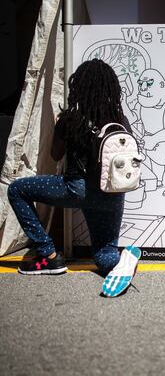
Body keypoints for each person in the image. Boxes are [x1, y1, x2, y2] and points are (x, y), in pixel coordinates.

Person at [7, 59, 141, 297]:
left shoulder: (71, 118)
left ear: (79, 86)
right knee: (103, 256)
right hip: (112, 193)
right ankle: (121, 262)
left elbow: (55, 155)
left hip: (77, 189)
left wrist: (60, 125)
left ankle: (48, 254)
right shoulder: (119, 119)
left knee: (17, 189)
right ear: (111, 87)